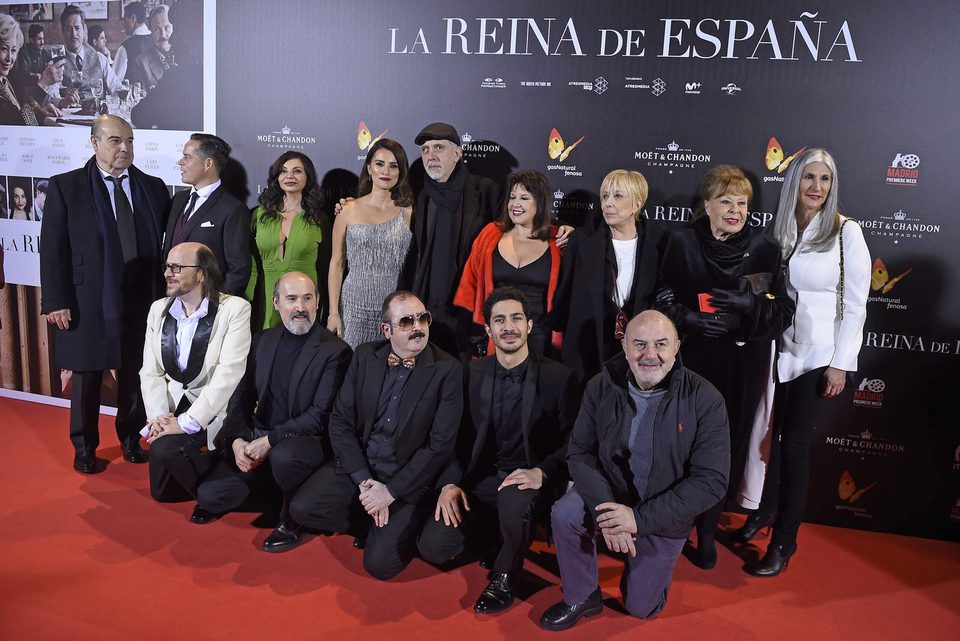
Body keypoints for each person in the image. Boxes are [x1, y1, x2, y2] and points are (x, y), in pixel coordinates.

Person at [539, 310, 729, 631]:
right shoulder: (600, 386)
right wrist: (609, 517)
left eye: (660, 345)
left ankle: (647, 566)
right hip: (610, 496)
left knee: (641, 608)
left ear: (677, 348)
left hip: (663, 516)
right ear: (624, 347)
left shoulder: (705, 398)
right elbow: (580, 453)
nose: (649, 355)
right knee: (565, 514)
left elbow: (711, 481)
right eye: (639, 344)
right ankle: (582, 594)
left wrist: (638, 520)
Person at [655, 165, 795, 569]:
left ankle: (708, 531)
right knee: (680, 443)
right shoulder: (681, 242)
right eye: (726, 201)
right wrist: (688, 318)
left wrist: (752, 305)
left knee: (724, 447)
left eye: (742, 203)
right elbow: (659, 296)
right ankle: (672, 523)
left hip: (740, 364)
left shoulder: (766, 248)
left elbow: (783, 311)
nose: (735, 210)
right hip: (689, 359)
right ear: (707, 204)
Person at [740, 149, 870, 577]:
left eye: (825, 179)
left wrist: (841, 363)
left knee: (793, 445)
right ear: (793, 180)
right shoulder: (780, 229)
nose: (817, 187)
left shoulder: (846, 232)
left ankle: (785, 540)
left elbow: (855, 306)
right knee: (770, 436)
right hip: (777, 348)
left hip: (817, 355)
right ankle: (764, 510)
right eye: (808, 177)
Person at [418, 287, 578, 613]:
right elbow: (453, 438)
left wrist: (542, 472)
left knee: (513, 500)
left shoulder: (558, 377)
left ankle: (505, 575)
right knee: (433, 547)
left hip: (529, 481)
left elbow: (573, 443)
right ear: (488, 329)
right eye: (500, 320)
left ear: (529, 325)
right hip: (482, 481)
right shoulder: (470, 374)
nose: (509, 327)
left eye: (516, 318)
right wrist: (450, 482)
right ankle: (502, 537)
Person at [289, 291, 463, 580]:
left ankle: (398, 523)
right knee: (303, 508)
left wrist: (391, 492)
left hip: (406, 479)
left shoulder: (448, 370)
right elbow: (340, 421)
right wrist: (364, 482)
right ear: (387, 329)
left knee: (381, 567)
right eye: (407, 321)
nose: (418, 327)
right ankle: (368, 518)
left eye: (423, 319)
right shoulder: (366, 355)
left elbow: (439, 446)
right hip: (363, 467)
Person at [40, 115, 171, 474]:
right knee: (87, 375)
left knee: (135, 372)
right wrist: (55, 300)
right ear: (94, 143)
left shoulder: (153, 186)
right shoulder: (66, 186)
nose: (124, 148)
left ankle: (131, 439)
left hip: (142, 297)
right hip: (87, 298)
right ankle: (84, 447)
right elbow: (52, 249)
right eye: (115, 141)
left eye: (129, 141)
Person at [212, 272, 351, 547]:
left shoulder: (336, 351)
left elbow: (320, 415)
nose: (300, 307)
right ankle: (277, 491)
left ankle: (292, 519)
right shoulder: (262, 340)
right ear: (276, 303)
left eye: (307, 298)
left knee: (284, 457)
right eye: (292, 299)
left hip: (305, 443)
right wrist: (239, 439)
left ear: (318, 301)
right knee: (211, 496)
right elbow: (242, 395)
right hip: (261, 437)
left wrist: (271, 441)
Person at [142, 242, 252, 516]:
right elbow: (150, 371)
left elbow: (229, 374)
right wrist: (159, 418)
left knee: (165, 452)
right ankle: (212, 483)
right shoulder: (158, 309)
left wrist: (187, 422)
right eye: (167, 266)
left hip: (212, 409)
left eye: (177, 267)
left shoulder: (234, 309)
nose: (169, 272)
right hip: (171, 407)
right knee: (162, 493)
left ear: (202, 274)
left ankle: (215, 493)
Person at [552, 169, 664, 383]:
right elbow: (565, 297)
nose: (608, 203)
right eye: (605, 196)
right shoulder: (581, 241)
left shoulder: (658, 244)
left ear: (637, 203)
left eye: (618, 196)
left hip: (638, 350)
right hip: (587, 348)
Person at [407, 122, 500, 357]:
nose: (431, 156)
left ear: (458, 153)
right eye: (425, 150)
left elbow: (516, 227)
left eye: (439, 147)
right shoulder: (420, 194)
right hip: (426, 306)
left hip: (467, 308)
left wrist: (558, 232)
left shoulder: (486, 190)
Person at [454, 170, 563, 357]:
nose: (515, 204)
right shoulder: (490, 234)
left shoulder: (558, 241)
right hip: (496, 334)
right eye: (512, 197)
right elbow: (469, 284)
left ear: (540, 202)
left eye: (524, 198)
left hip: (538, 338)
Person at [327, 139, 413, 348]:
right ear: (369, 168)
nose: (386, 171)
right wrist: (333, 313)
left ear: (400, 172)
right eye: (380, 164)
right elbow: (337, 263)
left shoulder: (409, 212)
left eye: (394, 166)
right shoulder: (348, 210)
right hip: (353, 307)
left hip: (393, 310)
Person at [247, 151, 330, 330]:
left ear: (308, 176)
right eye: (284, 171)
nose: (289, 176)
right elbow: (250, 261)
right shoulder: (259, 216)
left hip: (305, 299)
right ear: (277, 177)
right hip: (267, 295)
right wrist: (246, 298)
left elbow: (327, 265)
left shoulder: (319, 219)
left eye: (297, 171)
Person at [163, 133, 250, 296]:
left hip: (209, 305)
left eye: (187, 157)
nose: (180, 162)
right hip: (173, 302)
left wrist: (220, 307)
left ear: (208, 163)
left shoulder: (233, 209)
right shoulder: (178, 200)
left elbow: (239, 269)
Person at [51, 5, 118, 106]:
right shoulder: (56, 63)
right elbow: (50, 97)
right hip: (68, 118)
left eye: (77, 28)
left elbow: (116, 87)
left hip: (97, 117)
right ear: (62, 32)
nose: (74, 34)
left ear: (84, 29)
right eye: (69, 29)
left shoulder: (100, 59)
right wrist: (62, 101)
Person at [127, 4, 174, 91]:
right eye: (157, 29)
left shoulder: (185, 57)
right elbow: (142, 101)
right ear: (150, 32)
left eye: (167, 28)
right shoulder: (140, 64)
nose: (163, 35)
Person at [113, 1, 151, 82]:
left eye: (125, 19)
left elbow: (114, 81)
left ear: (133, 18)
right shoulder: (156, 41)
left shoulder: (125, 47)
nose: (123, 24)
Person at [10, 23, 47, 94]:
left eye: (43, 38)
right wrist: (40, 76)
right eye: (39, 39)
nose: (42, 42)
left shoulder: (44, 53)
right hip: (26, 89)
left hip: (42, 86)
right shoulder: (24, 52)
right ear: (32, 40)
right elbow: (25, 74)